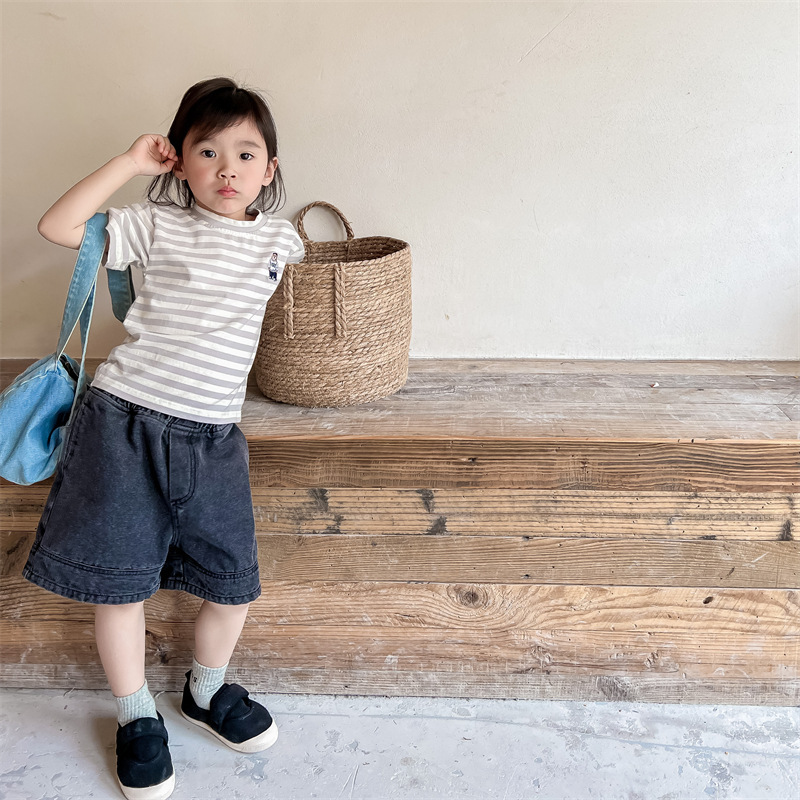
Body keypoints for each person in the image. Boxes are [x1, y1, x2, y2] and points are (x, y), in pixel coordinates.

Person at [22, 77, 305, 800]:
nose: (227, 168)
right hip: (125, 423)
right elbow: (58, 227)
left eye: (246, 154)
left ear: (269, 169)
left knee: (233, 582)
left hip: (214, 439)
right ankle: (135, 714)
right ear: (178, 161)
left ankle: (205, 691)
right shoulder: (155, 223)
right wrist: (128, 162)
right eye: (206, 151)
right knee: (119, 585)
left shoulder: (281, 239)